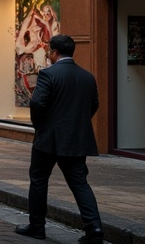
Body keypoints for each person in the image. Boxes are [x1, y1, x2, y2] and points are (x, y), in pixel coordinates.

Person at [16, 34, 103, 243]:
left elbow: (37, 103)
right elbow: (94, 105)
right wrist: (76, 124)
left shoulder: (48, 74)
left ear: (54, 52)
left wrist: (41, 126)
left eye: (49, 51)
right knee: (80, 183)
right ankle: (95, 229)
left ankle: (37, 227)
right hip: (76, 139)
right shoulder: (87, 76)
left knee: (38, 180)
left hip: (49, 139)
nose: (49, 54)